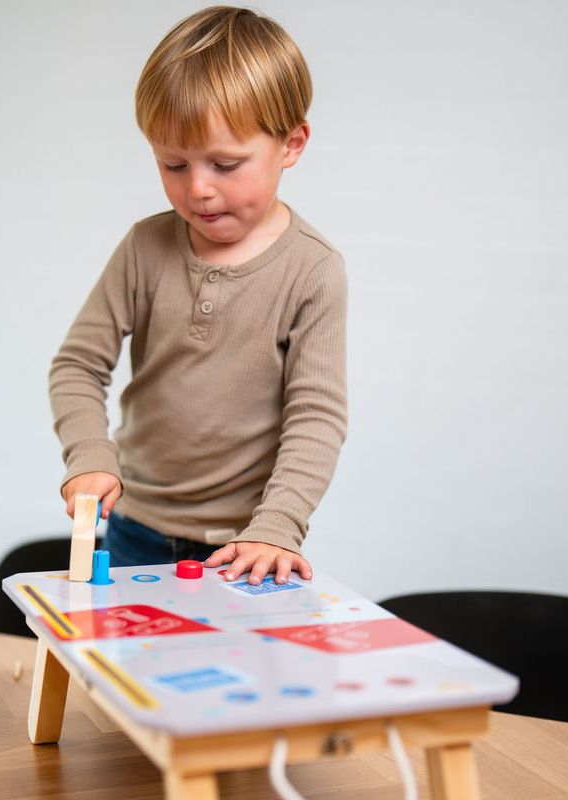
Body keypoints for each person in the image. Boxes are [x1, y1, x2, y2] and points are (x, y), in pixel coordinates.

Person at [49, 6, 347, 586]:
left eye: (226, 164)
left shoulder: (314, 269)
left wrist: (278, 525)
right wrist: (88, 455)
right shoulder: (144, 247)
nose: (199, 188)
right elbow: (77, 364)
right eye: (173, 163)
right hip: (135, 527)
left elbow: (317, 415)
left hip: (246, 545)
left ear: (291, 144)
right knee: (124, 673)